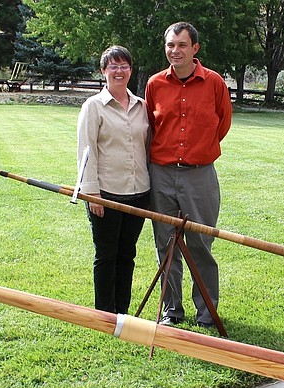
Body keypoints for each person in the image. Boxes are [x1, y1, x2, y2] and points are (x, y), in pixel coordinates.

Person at [145, 22, 233, 327]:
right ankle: (172, 311)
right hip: (162, 174)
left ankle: (207, 313)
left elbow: (222, 124)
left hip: (200, 176)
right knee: (165, 245)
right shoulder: (155, 84)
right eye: (170, 45)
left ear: (194, 48)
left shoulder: (214, 83)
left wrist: (198, 151)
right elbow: (151, 127)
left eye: (181, 45)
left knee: (200, 244)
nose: (175, 51)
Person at [77, 45, 151, 314]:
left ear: (131, 70)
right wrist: (91, 193)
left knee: (127, 254)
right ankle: (104, 313)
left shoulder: (142, 106)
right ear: (103, 71)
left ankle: (122, 312)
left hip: (138, 193)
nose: (119, 71)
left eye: (124, 66)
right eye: (113, 66)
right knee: (106, 256)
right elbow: (86, 151)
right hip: (105, 194)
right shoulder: (93, 107)